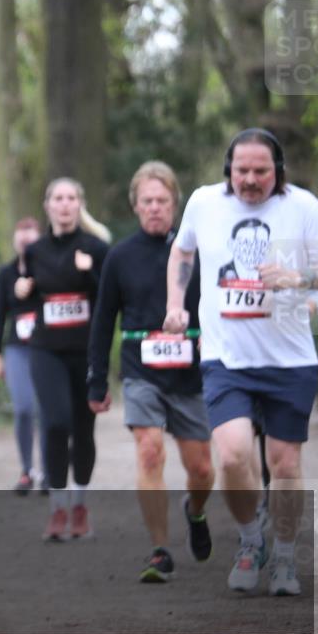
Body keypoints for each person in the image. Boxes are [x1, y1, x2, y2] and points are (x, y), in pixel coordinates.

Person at [163, 128, 318, 596]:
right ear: (228, 169)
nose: (251, 180)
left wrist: (299, 279)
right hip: (227, 358)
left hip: (289, 360)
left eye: (261, 171)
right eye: (242, 171)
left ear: (277, 171)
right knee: (235, 454)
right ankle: (249, 539)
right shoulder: (204, 202)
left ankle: (282, 556)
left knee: (285, 464)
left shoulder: (302, 206)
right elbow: (182, 250)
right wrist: (175, 304)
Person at [87, 161, 215, 582]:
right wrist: (96, 377)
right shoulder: (120, 256)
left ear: (176, 205)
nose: (155, 208)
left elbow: (217, 306)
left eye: (163, 201)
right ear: (135, 206)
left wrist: (209, 338)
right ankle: (159, 550)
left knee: (202, 470)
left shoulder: (197, 253)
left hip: (191, 375)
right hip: (141, 369)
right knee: (149, 451)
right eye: (148, 201)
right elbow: (104, 320)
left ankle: (194, 513)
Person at [16, 178, 110, 541]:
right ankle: (57, 508)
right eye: (59, 198)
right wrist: (22, 290)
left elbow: (109, 298)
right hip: (46, 349)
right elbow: (25, 296)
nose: (66, 204)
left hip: (86, 349)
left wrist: (91, 272)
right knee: (55, 423)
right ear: (48, 205)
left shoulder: (96, 248)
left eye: (72, 198)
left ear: (80, 204)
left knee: (83, 428)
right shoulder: (35, 250)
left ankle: (80, 505)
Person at [0, 217, 47, 494]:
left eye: (30, 232)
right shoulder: (5, 274)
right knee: (24, 408)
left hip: (47, 346)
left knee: (46, 408)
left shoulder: (50, 268)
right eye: (20, 232)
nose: (25, 238)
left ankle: (50, 471)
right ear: (15, 239)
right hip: (17, 349)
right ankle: (27, 471)